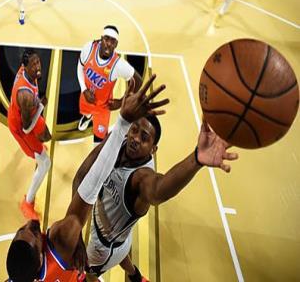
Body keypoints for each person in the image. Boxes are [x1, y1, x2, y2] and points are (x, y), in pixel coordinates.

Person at [6, 75, 169, 282]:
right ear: (39, 259)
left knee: (120, 249)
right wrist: (121, 124)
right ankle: (132, 275)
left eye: (22, 229)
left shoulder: (20, 276)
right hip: (104, 247)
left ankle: (134, 274)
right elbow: (87, 189)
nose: (31, 224)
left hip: (116, 238)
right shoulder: (62, 238)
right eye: (34, 234)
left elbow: (81, 180)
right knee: (93, 272)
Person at [73, 114, 237, 281]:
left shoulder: (141, 178)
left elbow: (158, 190)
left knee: (88, 275)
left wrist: (196, 159)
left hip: (103, 248)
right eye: (134, 130)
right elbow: (80, 177)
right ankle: (135, 276)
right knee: (122, 251)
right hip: (120, 239)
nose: (136, 138)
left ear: (153, 149)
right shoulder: (116, 142)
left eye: (144, 138)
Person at [77, 25, 142, 144]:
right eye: (106, 39)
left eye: (113, 41)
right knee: (85, 112)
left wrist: (122, 102)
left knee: (99, 139)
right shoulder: (89, 48)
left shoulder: (118, 65)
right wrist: (84, 89)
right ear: (101, 39)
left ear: (116, 44)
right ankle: (88, 117)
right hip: (86, 95)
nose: (109, 44)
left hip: (103, 106)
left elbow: (137, 81)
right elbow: (80, 67)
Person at [8, 49, 52, 220]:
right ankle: (27, 202)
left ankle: (37, 149)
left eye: (38, 62)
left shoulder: (25, 72)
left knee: (45, 138)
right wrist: (40, 106)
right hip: (21, 127)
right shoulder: (25, 96)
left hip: (23, 113)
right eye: (33, 64)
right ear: (25, 67)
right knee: (45, 163)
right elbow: (26, 128)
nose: (37, 66)